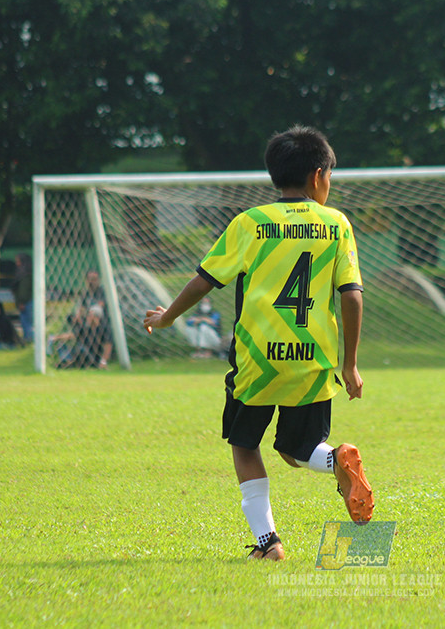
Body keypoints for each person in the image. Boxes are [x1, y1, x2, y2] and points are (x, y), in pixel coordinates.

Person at [143, 125, 373, 561]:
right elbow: (352, 294)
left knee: (245, 445)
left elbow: (204, 281)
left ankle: (269, 545)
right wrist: (351, 364)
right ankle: (336, 459)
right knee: (297, 449)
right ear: (319, 175)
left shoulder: (251, 223)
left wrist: (168, 316)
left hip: (258, 361)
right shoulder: (337, 224)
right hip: (314, 359)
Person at [53, 304, 109, 368]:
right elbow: (71, 335)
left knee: (81, 349)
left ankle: (68, 363)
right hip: (80, 353)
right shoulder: (86, 328)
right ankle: (67, 361)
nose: (87, 317)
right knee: (62, 345)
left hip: (92, 356)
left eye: (90, 315)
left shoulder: (103, 330)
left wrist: (103, 361)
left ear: (97, 317)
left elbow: (107, 346)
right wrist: (56, 338)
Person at [78, 270, 113, 367]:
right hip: (88, 321)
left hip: (102, 321)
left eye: (94, 279)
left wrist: (91, 314)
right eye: (89, 279)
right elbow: (81, 308)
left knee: (107, 333)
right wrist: (79, 315)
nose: (91, 282)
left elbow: (100, 306)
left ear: (98, 280)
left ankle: (103, 361)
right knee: (74, 322)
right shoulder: (85, 293)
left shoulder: (102, 291)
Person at [12, 253, 33, 344]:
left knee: (27, 323)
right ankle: (28, 339)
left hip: (26, 302)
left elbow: (23, 290)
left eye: (18, 261)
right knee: (26, 322)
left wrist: (22, 302)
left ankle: (29, 340)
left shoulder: (25, 275)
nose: (16, 263)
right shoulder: (28, 273)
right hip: (26, 302)